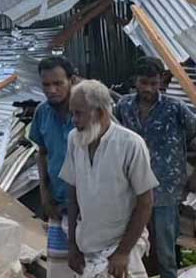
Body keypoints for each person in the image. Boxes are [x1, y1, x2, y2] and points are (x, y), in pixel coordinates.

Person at [114, 58, 196, 278]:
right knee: (132, 242)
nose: (148, 89)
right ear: (135, 82)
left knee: (166, 246)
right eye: (143, 83)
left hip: (165, 188)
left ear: (161, 83)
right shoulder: (124, 107)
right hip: (130, 187)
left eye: (153, 83)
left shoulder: (175, 108)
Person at [61, 80, 157, 278]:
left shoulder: (131, 144)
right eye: (73, 113)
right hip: (87, 244)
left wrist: (122, 252)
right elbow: (72, 193)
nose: (74, 120)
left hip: (122, 245)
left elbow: (146, 203)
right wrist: (72, 245)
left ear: (101, 113)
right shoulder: (74, 139)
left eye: (79, 113)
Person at [28, 57, 77, 278]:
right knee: (59, 272)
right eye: (46, 85)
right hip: (58, 207)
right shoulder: (42, 112)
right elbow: (43, 153)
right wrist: (44, 194)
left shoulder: (88, 112)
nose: (52, 90)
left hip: (89, 211)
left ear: (72, 81)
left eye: (58, 83)